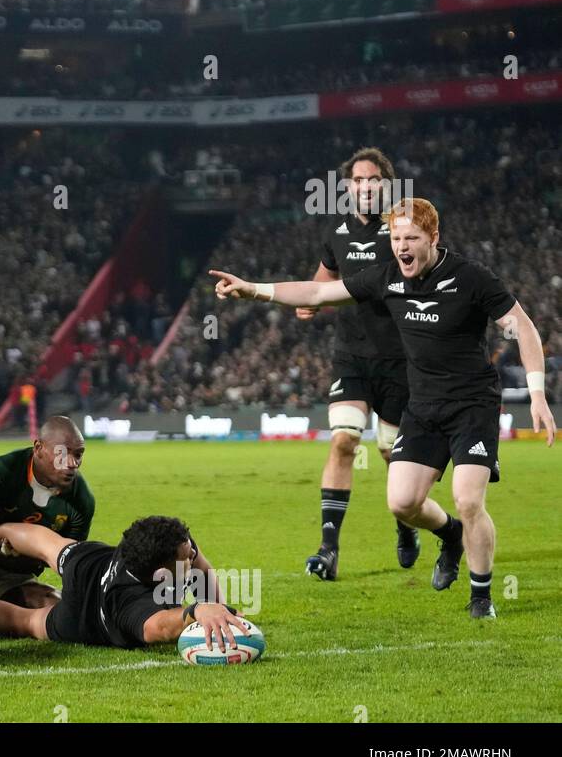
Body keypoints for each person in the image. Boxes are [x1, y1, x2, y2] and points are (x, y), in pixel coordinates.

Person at [210, 198, 556, 618]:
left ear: (433, 238)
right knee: (402, 503)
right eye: (395, 238)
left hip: (472, 405)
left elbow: (523, 327)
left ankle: (481, 596)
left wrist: (537, 393)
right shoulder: (388, 277)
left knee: (468, 497)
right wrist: (254, 290)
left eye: (411, 238)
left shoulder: (471, 278)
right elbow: (319, 290)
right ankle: (450, 536)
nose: (402, 247)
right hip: (423, 407)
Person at [296, 148, 413, 581]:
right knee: (344, 440)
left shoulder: (403, 228)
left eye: (373, 179)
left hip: (400, 362)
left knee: (390, 453)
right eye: (358, 181)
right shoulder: (338, 232)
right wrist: (309, 302)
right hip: (351, 358)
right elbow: (323, 278)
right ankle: (329, 549)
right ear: (348, 188)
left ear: (387, 183)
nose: (365, 187)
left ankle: (406, 522)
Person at [0, 516, 245, 652]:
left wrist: (212, 604)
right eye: (185, 556)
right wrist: (196, 612)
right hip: (85, 617)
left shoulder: (155, 546)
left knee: (54, 548)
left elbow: (198, 561)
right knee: (26, 622)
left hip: (92, 564)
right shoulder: (133, 605)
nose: (193, 553)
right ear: (160, 574)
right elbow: (160, 628)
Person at [0, 416, 94, 610]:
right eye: (62, 453)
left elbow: (71, 563)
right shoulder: (4, 471)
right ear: (38, 448)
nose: (72, 463)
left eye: (78, 454)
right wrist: (4, 555)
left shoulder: (81, 501)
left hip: (15, 581)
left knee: (56, 606)